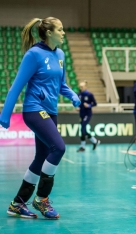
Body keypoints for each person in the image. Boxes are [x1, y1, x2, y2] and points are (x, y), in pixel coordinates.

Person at [0, 17, 81, 219]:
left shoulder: (60, 54)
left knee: (41, 157)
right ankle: (41, 199)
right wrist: (5, 114)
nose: (64, 33)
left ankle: (18, 203)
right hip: (34, 110)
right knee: (59, 148)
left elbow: (61, 84)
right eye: (60, 29)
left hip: (51, 111)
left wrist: (72, 94)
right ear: (49, 33)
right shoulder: (33, 55)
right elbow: (17, 85)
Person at [76, 80, 100, 152]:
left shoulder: (89, 94)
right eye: (80, 87)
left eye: (82, 87)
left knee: (82, 129)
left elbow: (95, 103)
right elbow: (79, 103)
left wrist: (89, 105)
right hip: (81, 114)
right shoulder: (79, 94)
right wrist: (78, 107)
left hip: (87, 114)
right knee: (84, 130)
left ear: (85, 87)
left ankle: (82, 147)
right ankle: (95, 141)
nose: (81, 88)